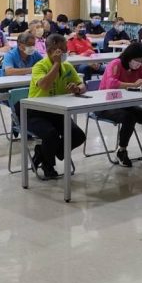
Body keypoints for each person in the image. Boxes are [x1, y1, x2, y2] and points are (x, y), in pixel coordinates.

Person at [98, 43, 142, 167]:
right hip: (104, 104)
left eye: (141, 61)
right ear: (129, 56)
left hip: (125, 103)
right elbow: (111, 83)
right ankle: (121, 151)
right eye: (136, 60)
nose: (138, 63)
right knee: (129, 117)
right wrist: (134, 85)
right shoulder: (116, 64)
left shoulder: (138, 67)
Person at [27, 33, 87, 180]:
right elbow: (44, 85)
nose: (65, 52)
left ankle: (43, 152)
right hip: (36, 112)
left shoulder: (67, 66)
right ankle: (48, 165)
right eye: (61, 50)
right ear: (50, 51)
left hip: (58, 111)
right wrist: (55, 64)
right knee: (51, 134)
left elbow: (82, 84)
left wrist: (78, 89)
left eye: (65, 49)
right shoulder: (40, 66)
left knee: (78, 135)